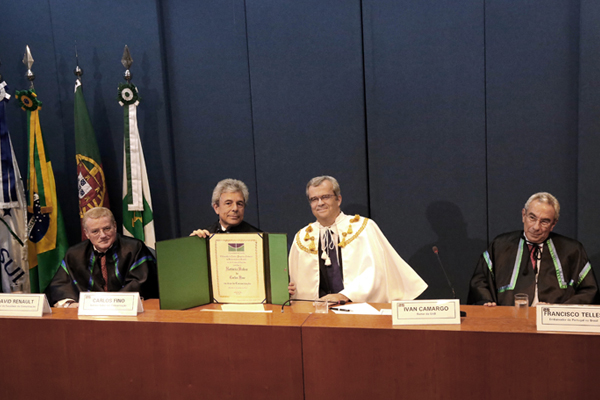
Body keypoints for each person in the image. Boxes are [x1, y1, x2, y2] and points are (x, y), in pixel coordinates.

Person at [288, 176, 427, 303]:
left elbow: (376, 272)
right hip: (317, 315)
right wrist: (289, 290)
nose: (320, 203)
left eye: (325, 197)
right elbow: (295, 282)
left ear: (338, 199)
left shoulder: (364, 228)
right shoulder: (302, 237)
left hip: (359, 309)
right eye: (314, 199)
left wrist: (344, 295)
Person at [468, 192, 599, 306]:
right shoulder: (500, 245)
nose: (536, 227)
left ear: (553, 224)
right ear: (523, 215)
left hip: (555, 324)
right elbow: (480, 281)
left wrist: (559, 310)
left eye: (545, 221)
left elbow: (588, 290)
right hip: (508, 320)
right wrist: (487, 301)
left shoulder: (572, 250)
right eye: (532, 217)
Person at [46, 207, 159, 307]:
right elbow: (60, 284)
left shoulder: (134, 248)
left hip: (127, 312)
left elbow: (143, 284)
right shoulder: (75, 254)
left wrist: (108, 304)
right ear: (86, 233)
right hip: (88, 317)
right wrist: (71, 304)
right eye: (95, 231)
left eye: (107, 228)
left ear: (115, 226)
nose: (103, 235)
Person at [190, 179, 260, 238]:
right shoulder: (205, 236)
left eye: (239, 204)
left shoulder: (258, 237)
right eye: (228, 203)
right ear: (216, 208)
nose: (235, 209)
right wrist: (195, 243)